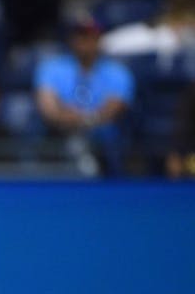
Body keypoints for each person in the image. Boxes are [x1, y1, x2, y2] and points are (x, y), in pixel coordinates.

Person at [35, 13, 135, 175]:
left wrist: (85, 119)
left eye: (91, 35)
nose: (85, 41)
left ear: (99, 38)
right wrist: (65, 117)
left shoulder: (118, 72)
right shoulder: (52, 67)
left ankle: (112, 182)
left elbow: (113, 110)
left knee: (109, 132)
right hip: (60, 129)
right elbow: (48, 108)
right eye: (80, 35)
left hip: (99, 132)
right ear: (71, 38)